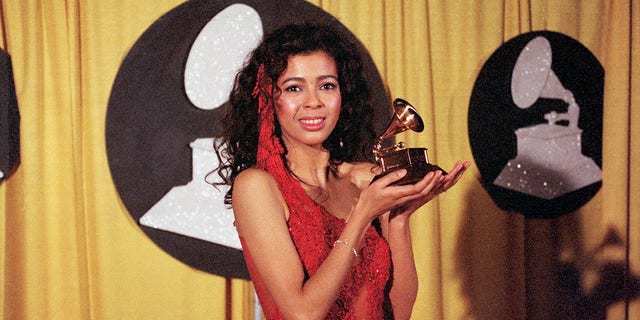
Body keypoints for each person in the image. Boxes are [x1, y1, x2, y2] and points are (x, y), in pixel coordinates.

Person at [214, 23, 470, 320]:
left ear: (342, 95)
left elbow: (399, 312)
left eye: (326, 86)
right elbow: (303, 313)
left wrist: (398, 218)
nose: (314, 102)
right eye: (294, 88)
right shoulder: (258, 185)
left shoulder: (362, 179)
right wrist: (363, 213)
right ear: (269, 99)